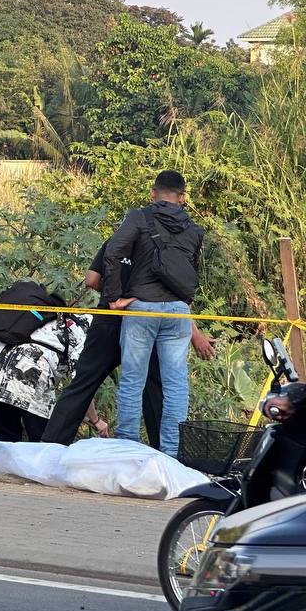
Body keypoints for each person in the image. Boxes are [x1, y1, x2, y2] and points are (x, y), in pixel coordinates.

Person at [42, 241, 215, 448]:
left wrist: (116, 294)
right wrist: (196, 335)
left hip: (110, 320)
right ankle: (164, 455)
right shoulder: (163, 245)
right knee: (155, 391)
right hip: (146, 324)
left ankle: (49, 448)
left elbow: (91, 280)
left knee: (83, 384)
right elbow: (173, 299)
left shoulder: (116, 242)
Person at [102, 170, 205, 457]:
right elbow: (190, 273)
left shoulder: (139, 217)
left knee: (133, 380)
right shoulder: (194, 229)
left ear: (153, 192)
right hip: (178, 312)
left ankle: (128, 448)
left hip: (142, 307)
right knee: (176, 384)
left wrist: (114, 298)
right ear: (182, 197)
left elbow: (112, 252)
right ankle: (171, 453)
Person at [0, 312, 91, 442]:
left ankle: (3, 455)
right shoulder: (84, 332)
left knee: (5, 435)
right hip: (30, 374)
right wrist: (96, 420)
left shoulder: (57, 318)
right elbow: (82, 384)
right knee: (42, 440)